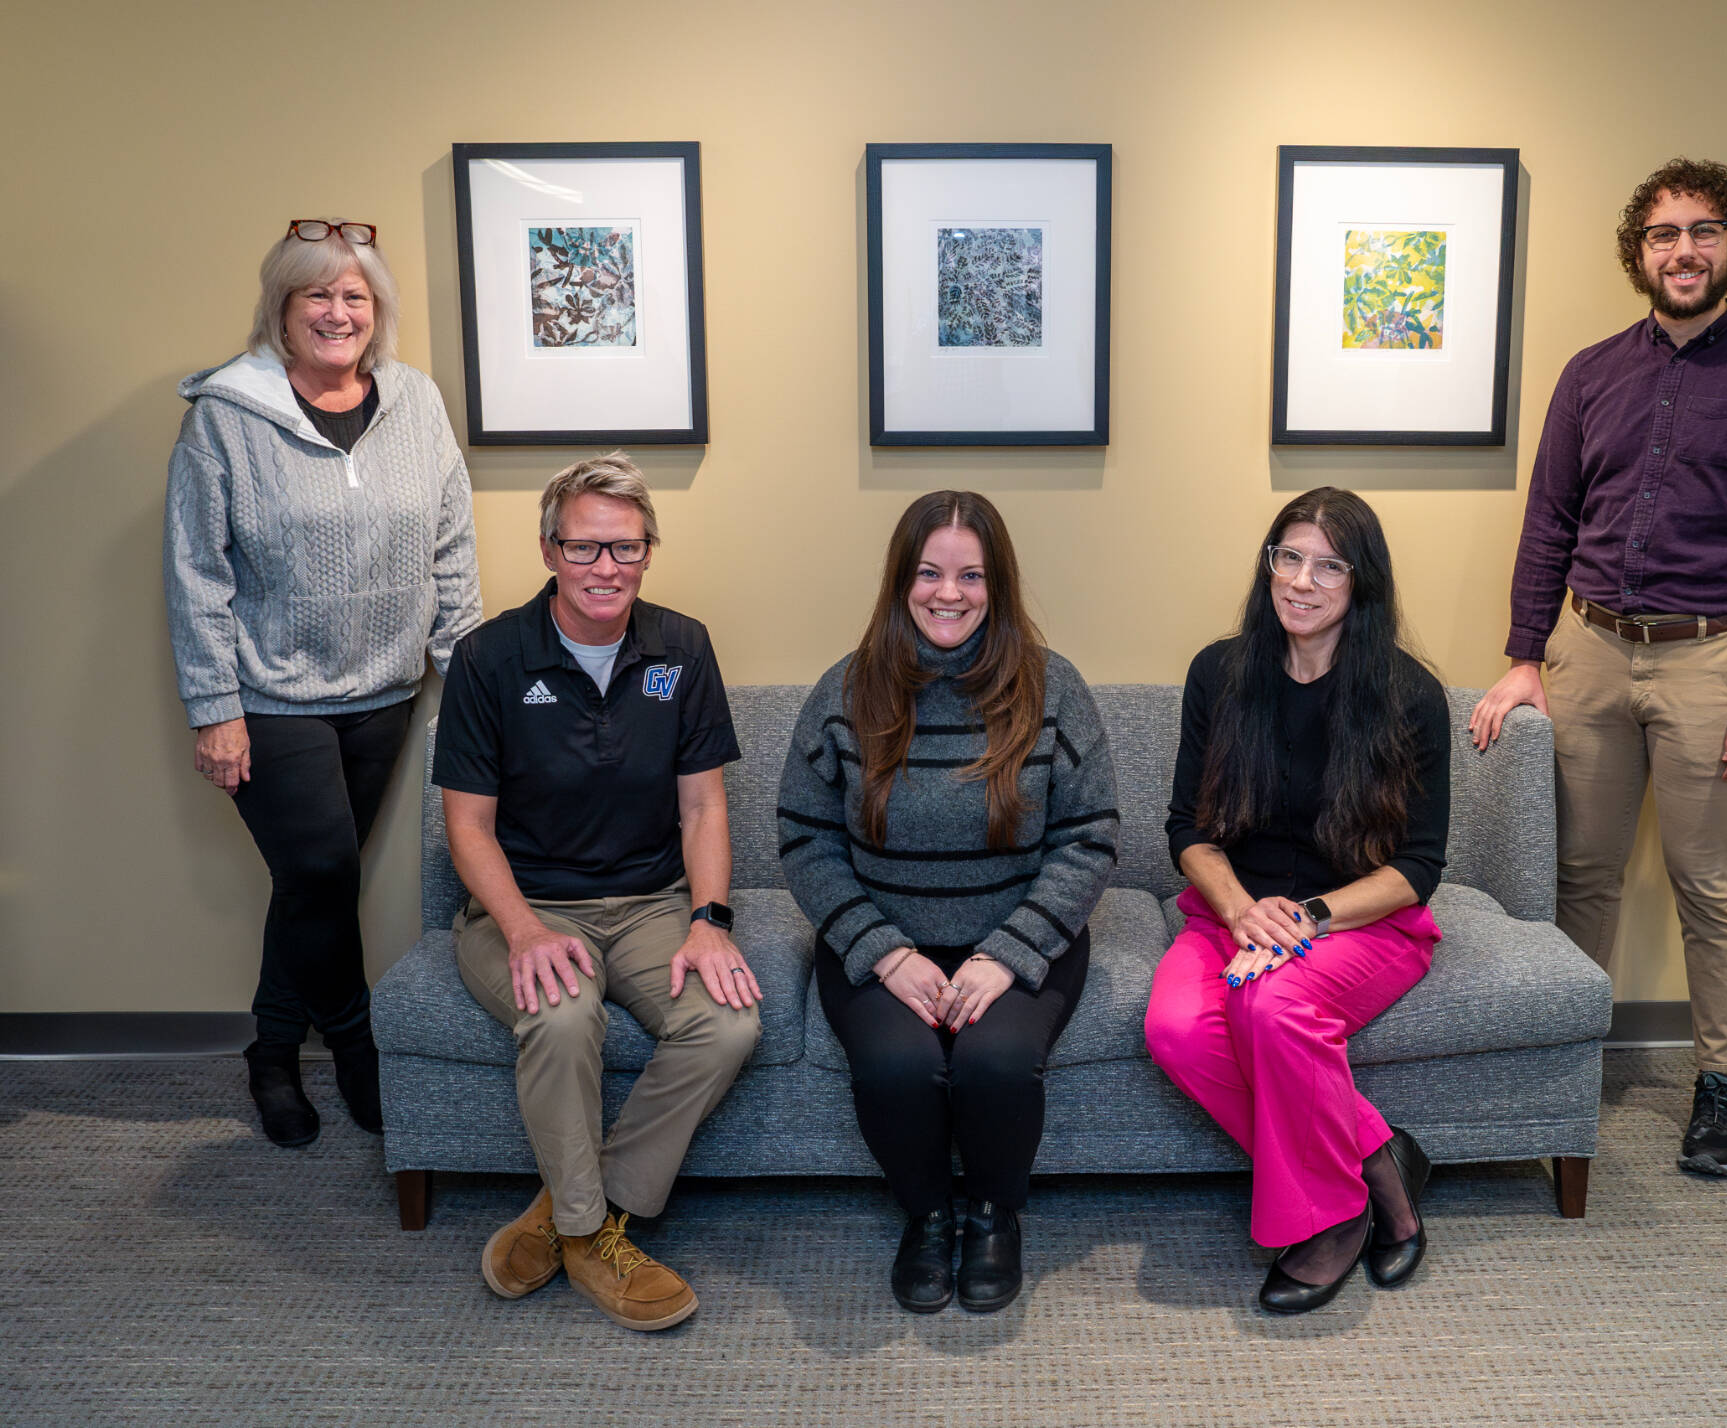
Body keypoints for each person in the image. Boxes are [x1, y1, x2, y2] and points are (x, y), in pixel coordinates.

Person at [1468, 158, 1727, 1179]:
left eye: (1702, 231)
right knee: (1579, 875)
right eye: (1663, 234)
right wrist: (1521, 659)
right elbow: (1548, 519)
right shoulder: (1590, 372)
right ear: (1638, 251)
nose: (1683, 250)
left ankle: (1718, 1084)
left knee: (1705, 881)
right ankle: (1567, 1064)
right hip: (1585, 649)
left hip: (1708, 657)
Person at [164, 218, 480, 1149]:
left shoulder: (415, 401)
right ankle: (353, 1045)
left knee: (308, 889)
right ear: (283, 308)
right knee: (321, 872)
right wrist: (215, 710)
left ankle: (269, 1048)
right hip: (271, 703)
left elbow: (451, 542)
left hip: (384, 692)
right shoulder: (225, 416)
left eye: (355, 295)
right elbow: (196, 572)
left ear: (375, 311)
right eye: (318, 294)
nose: (338, 311)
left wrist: (467, 676)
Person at [433, 454, 760, 1332]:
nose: (606, 568)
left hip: (652, 905)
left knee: (729, 1023)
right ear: (548, 550)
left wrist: (709, 921)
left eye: (625, 548)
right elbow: (467, 828)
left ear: (648, 552)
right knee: (564, 1013)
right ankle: (592, 1240)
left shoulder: (681, 647)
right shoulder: (490, 658)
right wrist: (525, 933)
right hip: (525, 906)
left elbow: (703, 805)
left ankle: (577, 1210)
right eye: (584, 549)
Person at [778, 491, 1117, 1314]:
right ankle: (928, 1216)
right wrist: (887, 953)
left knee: (994, 1062)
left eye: (970, 575)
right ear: (901, 582)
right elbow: (803, 839)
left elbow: (1090, 838)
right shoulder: (846, 691)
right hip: (880, 941)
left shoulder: (1052, 688)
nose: (948, 593)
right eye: (929, 573)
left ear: (996, 585)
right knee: (900, 1065)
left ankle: (995, 1215)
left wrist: (1005, 955)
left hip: (1016, 938)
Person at [1145, 487, 1449, 1314]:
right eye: (1289, 557)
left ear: (1362, 583)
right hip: (1236, 914)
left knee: (1270, 1006)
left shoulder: (1410, 696)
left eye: (1329, 565)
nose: (1302, 582)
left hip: (1359, 920)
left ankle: (1336, 1220)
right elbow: (1186, 829)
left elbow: (1420, 865)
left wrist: (1307, 918)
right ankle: (1379, 1160)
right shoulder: (1220, 673)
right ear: (1268, 565)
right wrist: (1244, 908)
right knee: (1171, 1028)